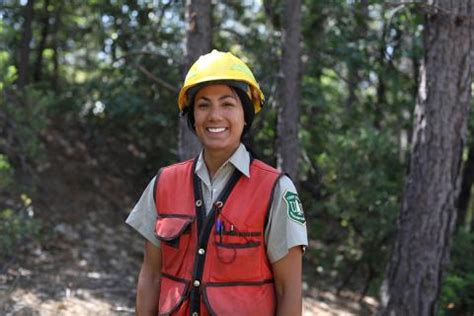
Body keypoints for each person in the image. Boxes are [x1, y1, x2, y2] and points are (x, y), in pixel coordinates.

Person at [126, 50, 308, 316]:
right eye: (203, 105)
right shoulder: (164, 183)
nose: (214, 115)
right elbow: (151, 276)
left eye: (227, 104)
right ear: (192, 116)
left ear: (245, 114)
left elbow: (288, 289)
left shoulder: (276, 190)